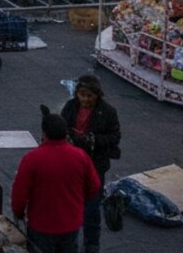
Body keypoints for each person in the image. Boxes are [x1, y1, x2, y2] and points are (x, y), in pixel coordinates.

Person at [12, 107, 101, 253]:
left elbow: (19, 194)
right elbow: (94, 187)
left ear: (44, 132)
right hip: (71, 223)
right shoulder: (80, 156)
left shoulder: (32, 159)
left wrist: (19, 213)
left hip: (41, 224)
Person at [60, 75, 121, 253]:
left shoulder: (108, 112)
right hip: (72, 164)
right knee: (70, 205)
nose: (85, 99)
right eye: (82, 95)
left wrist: (92, 140)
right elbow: (62, 127)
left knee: (92, 208)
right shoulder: (71, 107)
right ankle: (69, 241)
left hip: (95, 165)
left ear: (97, 95)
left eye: (89, 96)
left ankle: (92, 242)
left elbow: (114, 137)